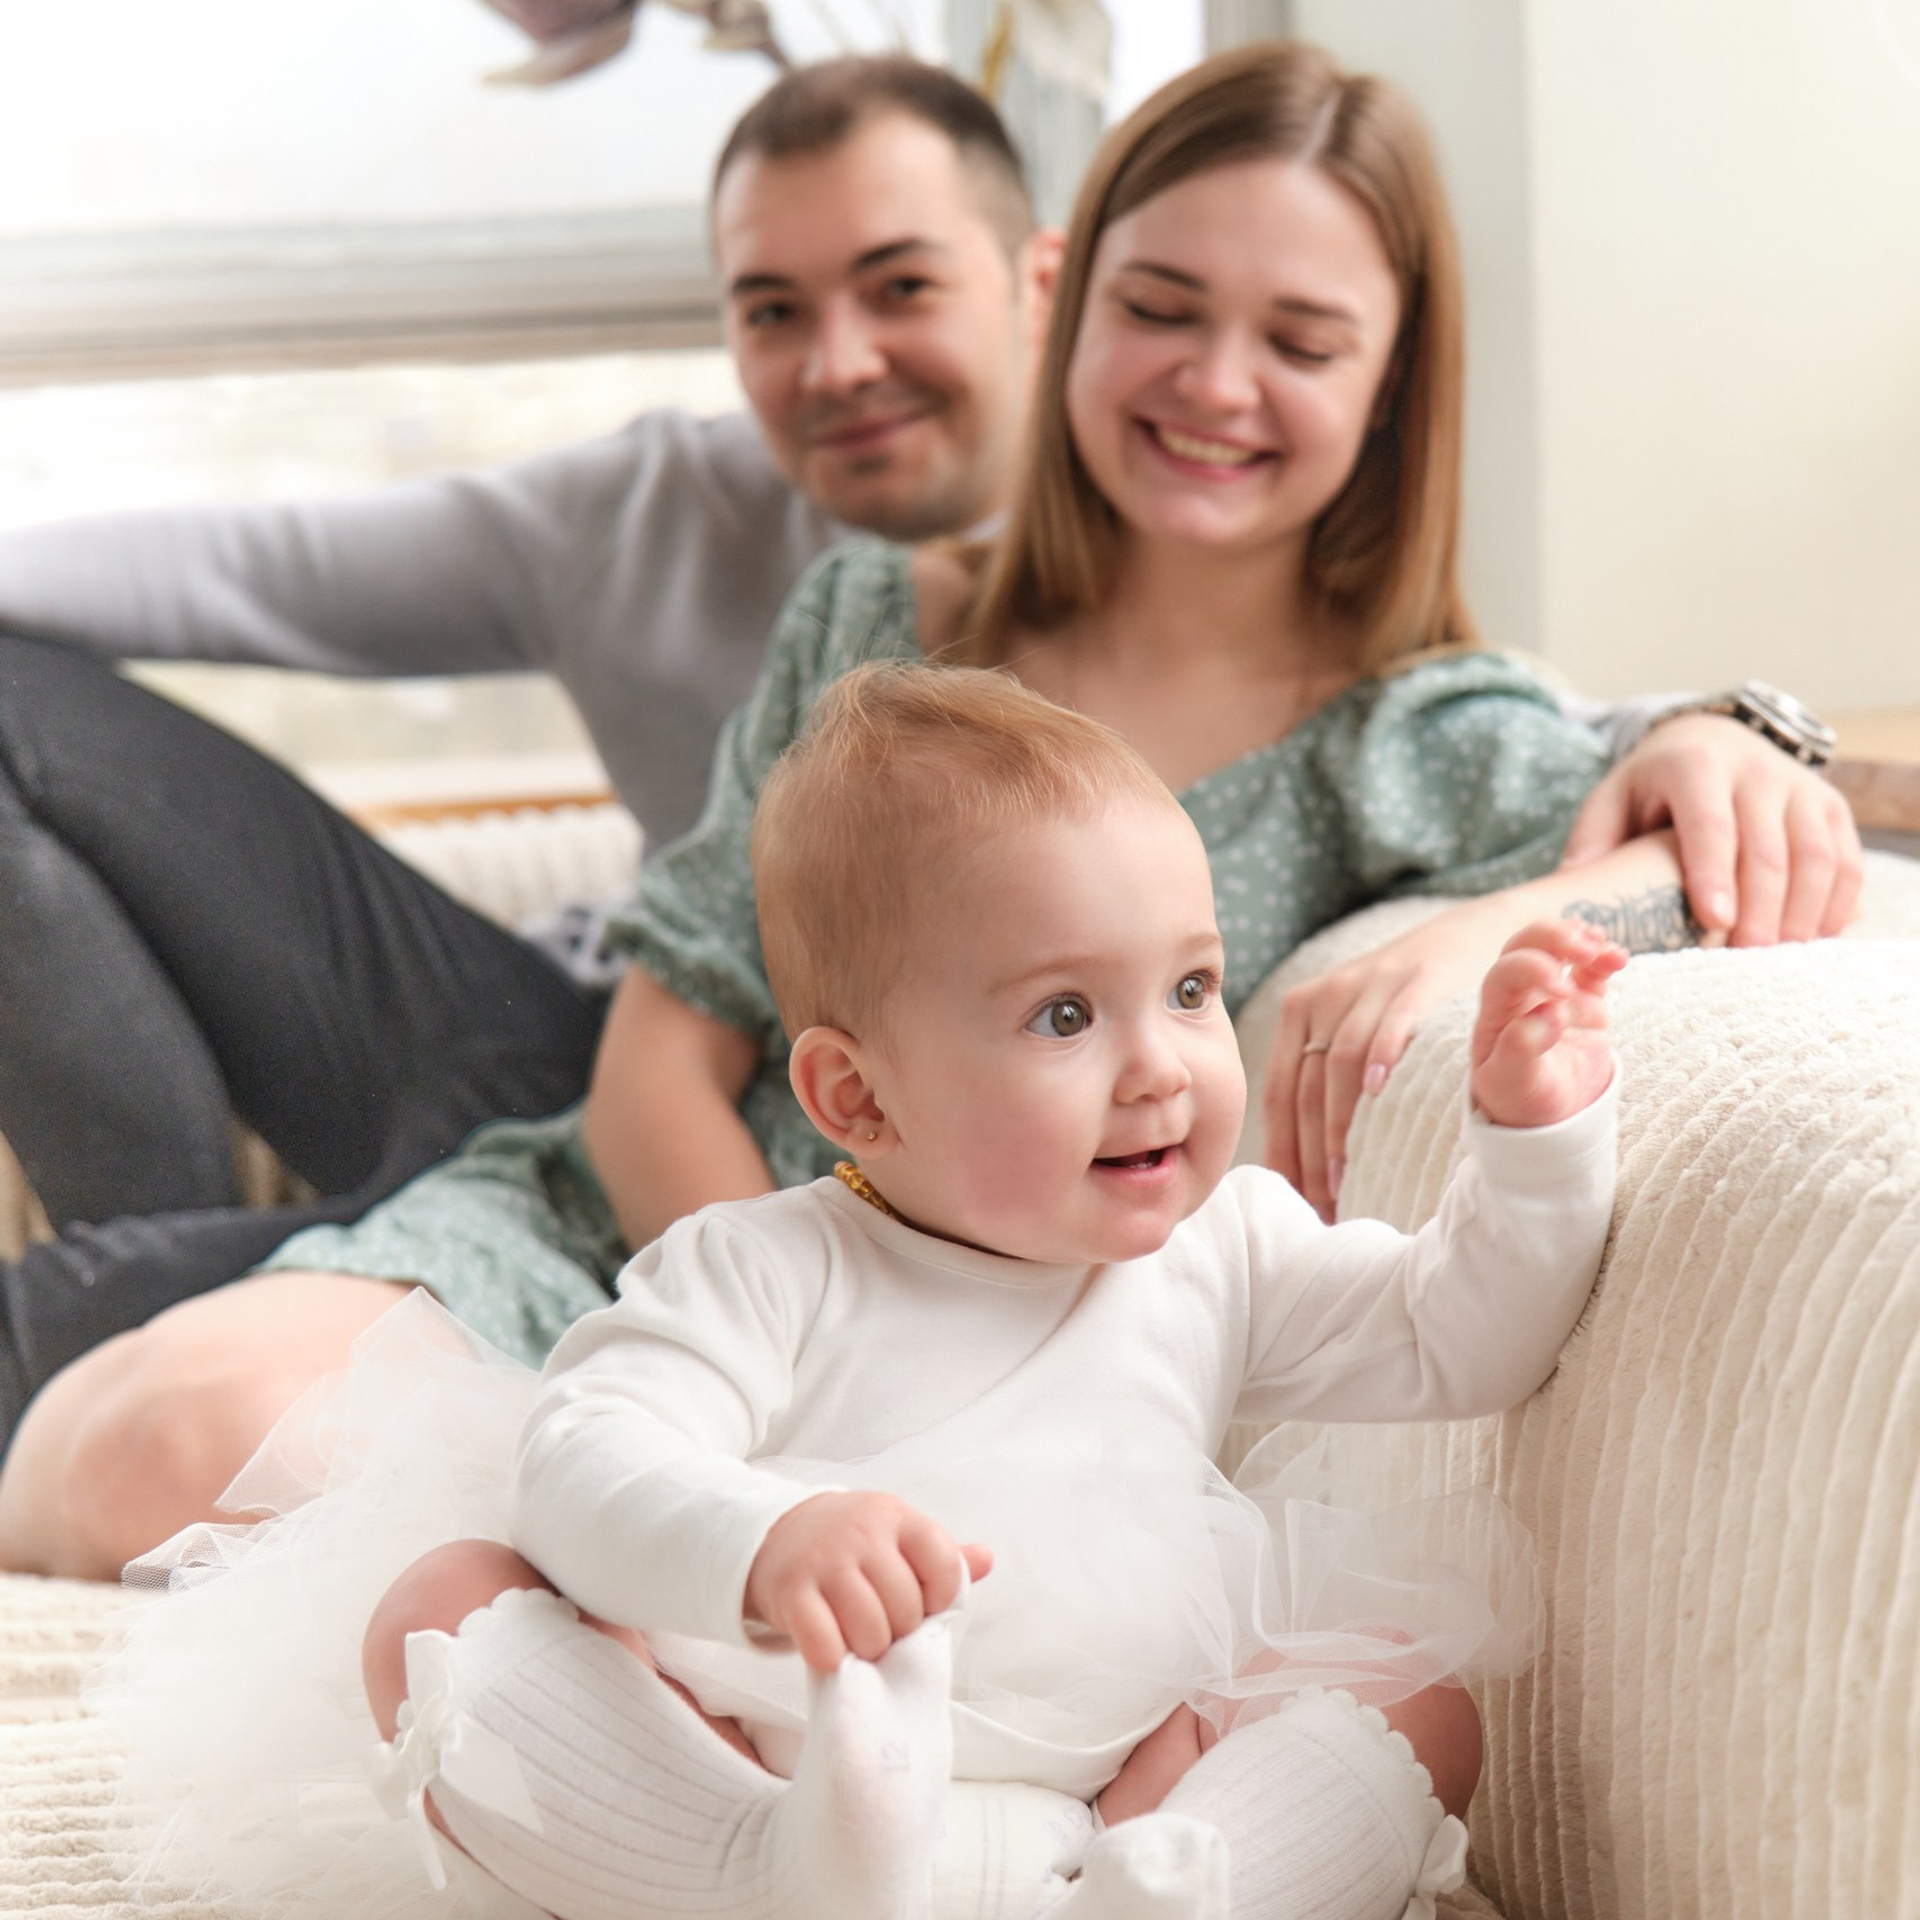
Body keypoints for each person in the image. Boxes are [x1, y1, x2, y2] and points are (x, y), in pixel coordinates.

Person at [0, 47, 1857, 1577]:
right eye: (1160, 309)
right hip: (663, 1245)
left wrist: (1540, 888)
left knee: (258, 1477)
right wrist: (761, 1363)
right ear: (1072, 306)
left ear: (1388, 390)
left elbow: (1690, 829)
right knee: (134, 1443)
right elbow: (658, 1061)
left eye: (1302, 341)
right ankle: (600, 1535)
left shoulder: (1414, 734)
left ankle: (600, 1586)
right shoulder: (878, 615)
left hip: (968, 1360)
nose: (1214, 384)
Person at [98, 661, 1627, 1920]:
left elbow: (1457, 1338)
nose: (1163, 1064)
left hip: (1113, 1795)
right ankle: (743, 1874)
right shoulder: (765, 1268)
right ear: (857, 1096)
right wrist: (764, 1545)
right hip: (776, 1764)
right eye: (1067, 1015)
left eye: (1190, 988)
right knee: (438, 1608)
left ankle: (1177, 1889)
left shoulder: (1223, 1247)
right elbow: (580, 1462)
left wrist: (1537, 1140)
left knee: (1420, 1701)